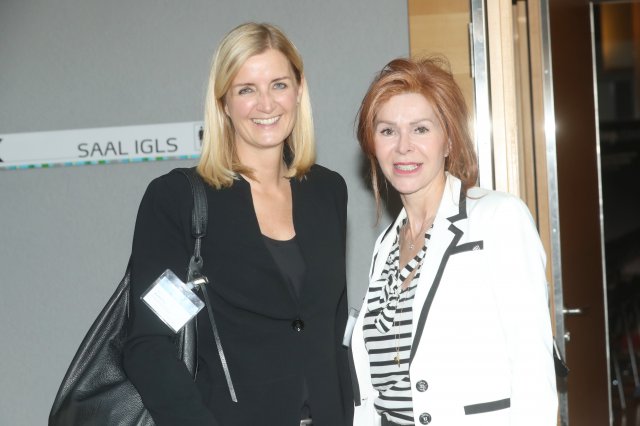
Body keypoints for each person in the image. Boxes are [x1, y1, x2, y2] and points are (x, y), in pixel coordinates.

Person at [123, 22, 353, 426]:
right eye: (246, 89)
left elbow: (331, 332)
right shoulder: (178, 200)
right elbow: (149, 344)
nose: (266, 104)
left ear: (299, 90)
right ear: (224, 103)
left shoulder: (328, 191)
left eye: (279, 85)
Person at [349, 57, 558, 425]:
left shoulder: (497, 218)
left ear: (448, 141)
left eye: (420, 129)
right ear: (373, 145)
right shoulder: (386, 246)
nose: (403, 146)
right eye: (387, 131)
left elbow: (533, 367)